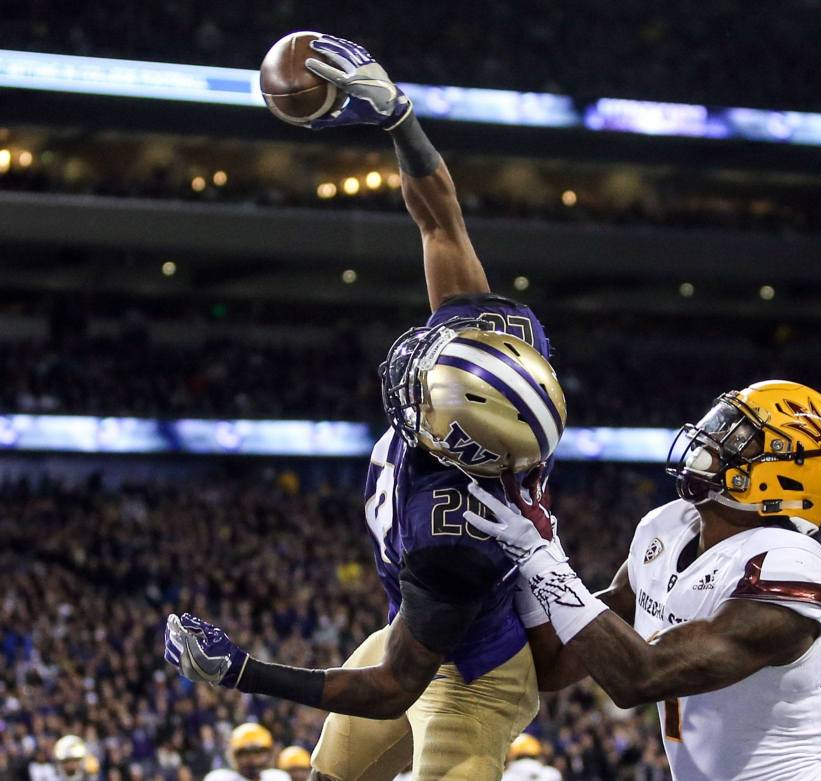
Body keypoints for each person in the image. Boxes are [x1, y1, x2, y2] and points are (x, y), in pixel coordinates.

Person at [163, 34, 567, 781]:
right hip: (407, 631)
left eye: (427, 388)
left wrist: (243, 671)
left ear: (453, 442)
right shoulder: (495, 351)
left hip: (472, 676)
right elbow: (440, 221)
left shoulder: (455, 537)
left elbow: (391, 688)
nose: (415, 370)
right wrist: (398, 119)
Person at [463, 381, 821, 781]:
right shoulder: (669, 526)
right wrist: (521, 563)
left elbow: (641, 676)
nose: (712, 437)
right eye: (723, 422)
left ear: (787, 474)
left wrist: (542, 559)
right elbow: (557, 664)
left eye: (740, 435)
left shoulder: (791, 563)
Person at [204, 724, 289, 781]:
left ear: (269, 754)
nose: (253, 760)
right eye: (245, 754)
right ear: (233, 756)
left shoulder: (278, 777)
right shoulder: (219, 778)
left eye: (258, 753)